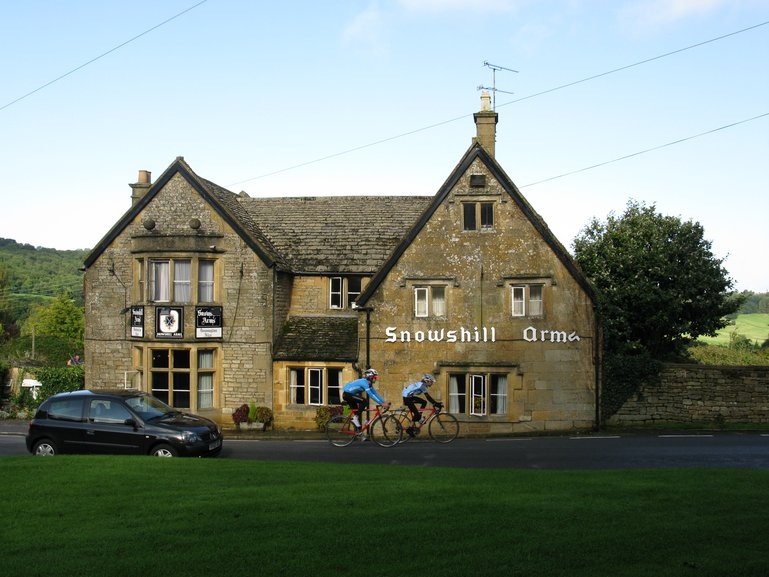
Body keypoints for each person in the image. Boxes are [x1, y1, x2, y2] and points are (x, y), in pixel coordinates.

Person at [342, 368, 390, 432]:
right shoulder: (364, 383)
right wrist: (381, 403)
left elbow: (375, 393)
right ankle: (355, 418)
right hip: (347, 395)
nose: (375, 379)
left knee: (358, 415)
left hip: (350, 395)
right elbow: (370, 395)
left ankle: (359, 433)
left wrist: (383, 402)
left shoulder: (369, 384)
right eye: (374, 377)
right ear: (369, 377)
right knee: (364, 401)